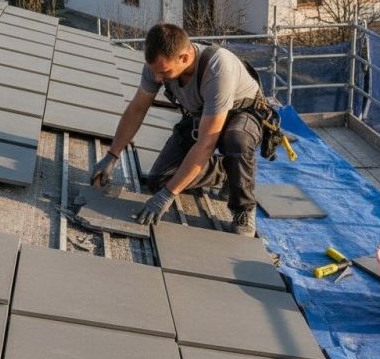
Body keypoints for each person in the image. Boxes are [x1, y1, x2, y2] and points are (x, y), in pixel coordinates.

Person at [91, 23, 262, 236]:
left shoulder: (218, 68)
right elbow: (137, 109)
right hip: (201, 116)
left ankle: (243, 209)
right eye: (155, 72)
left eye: (164, 72)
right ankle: (225, 170)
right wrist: (112, 155)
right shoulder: (157, 67)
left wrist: (168, 196)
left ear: (184, 57)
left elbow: (206, 143)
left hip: (240, 115)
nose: (158, 79)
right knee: (158, 181)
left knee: (237, 141)